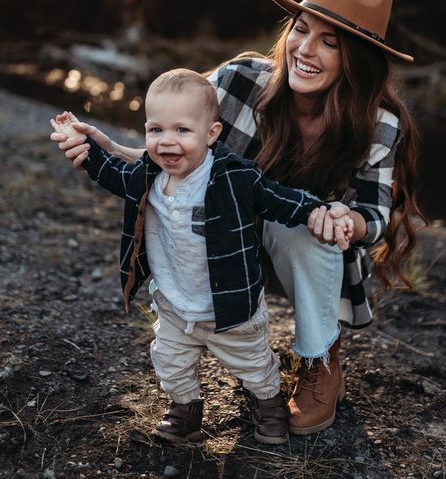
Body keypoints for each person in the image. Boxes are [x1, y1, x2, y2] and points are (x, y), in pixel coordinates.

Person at [51, 0, 424, 436]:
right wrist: (103, 146)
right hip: (221, 245)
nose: (305, 50)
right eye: (300, 30)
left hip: (306, 256)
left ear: (359, 60)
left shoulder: (379, 124)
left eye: (329, 43)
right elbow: (173, 147)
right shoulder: (238, 80)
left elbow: (374, 216)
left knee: (308, 220)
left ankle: (320, 358)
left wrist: (343, 218)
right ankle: (191, 386)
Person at [51, 68, 353, 445]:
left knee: (254, 365)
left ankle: (268, 406)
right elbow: (112, 173)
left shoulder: (234, 176)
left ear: (211, 134)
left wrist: (316, 212)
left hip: (230, 306)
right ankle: (185, 413)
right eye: (156, 130)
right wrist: (85, 145)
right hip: (176, 303)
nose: (166, 143)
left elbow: (278, 199)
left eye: (182, 130)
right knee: (171, 361)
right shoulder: (149, 174)